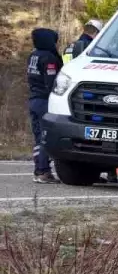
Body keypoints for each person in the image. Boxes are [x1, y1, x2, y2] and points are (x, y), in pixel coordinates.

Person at [26, 27, 62, 184]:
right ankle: (43, 171)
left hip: (33, 99)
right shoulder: (48, 58)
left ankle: (38, 169)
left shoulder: (33, 55)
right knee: (44, 137)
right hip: (44, 101)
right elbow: (51, 83)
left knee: (37, 136)